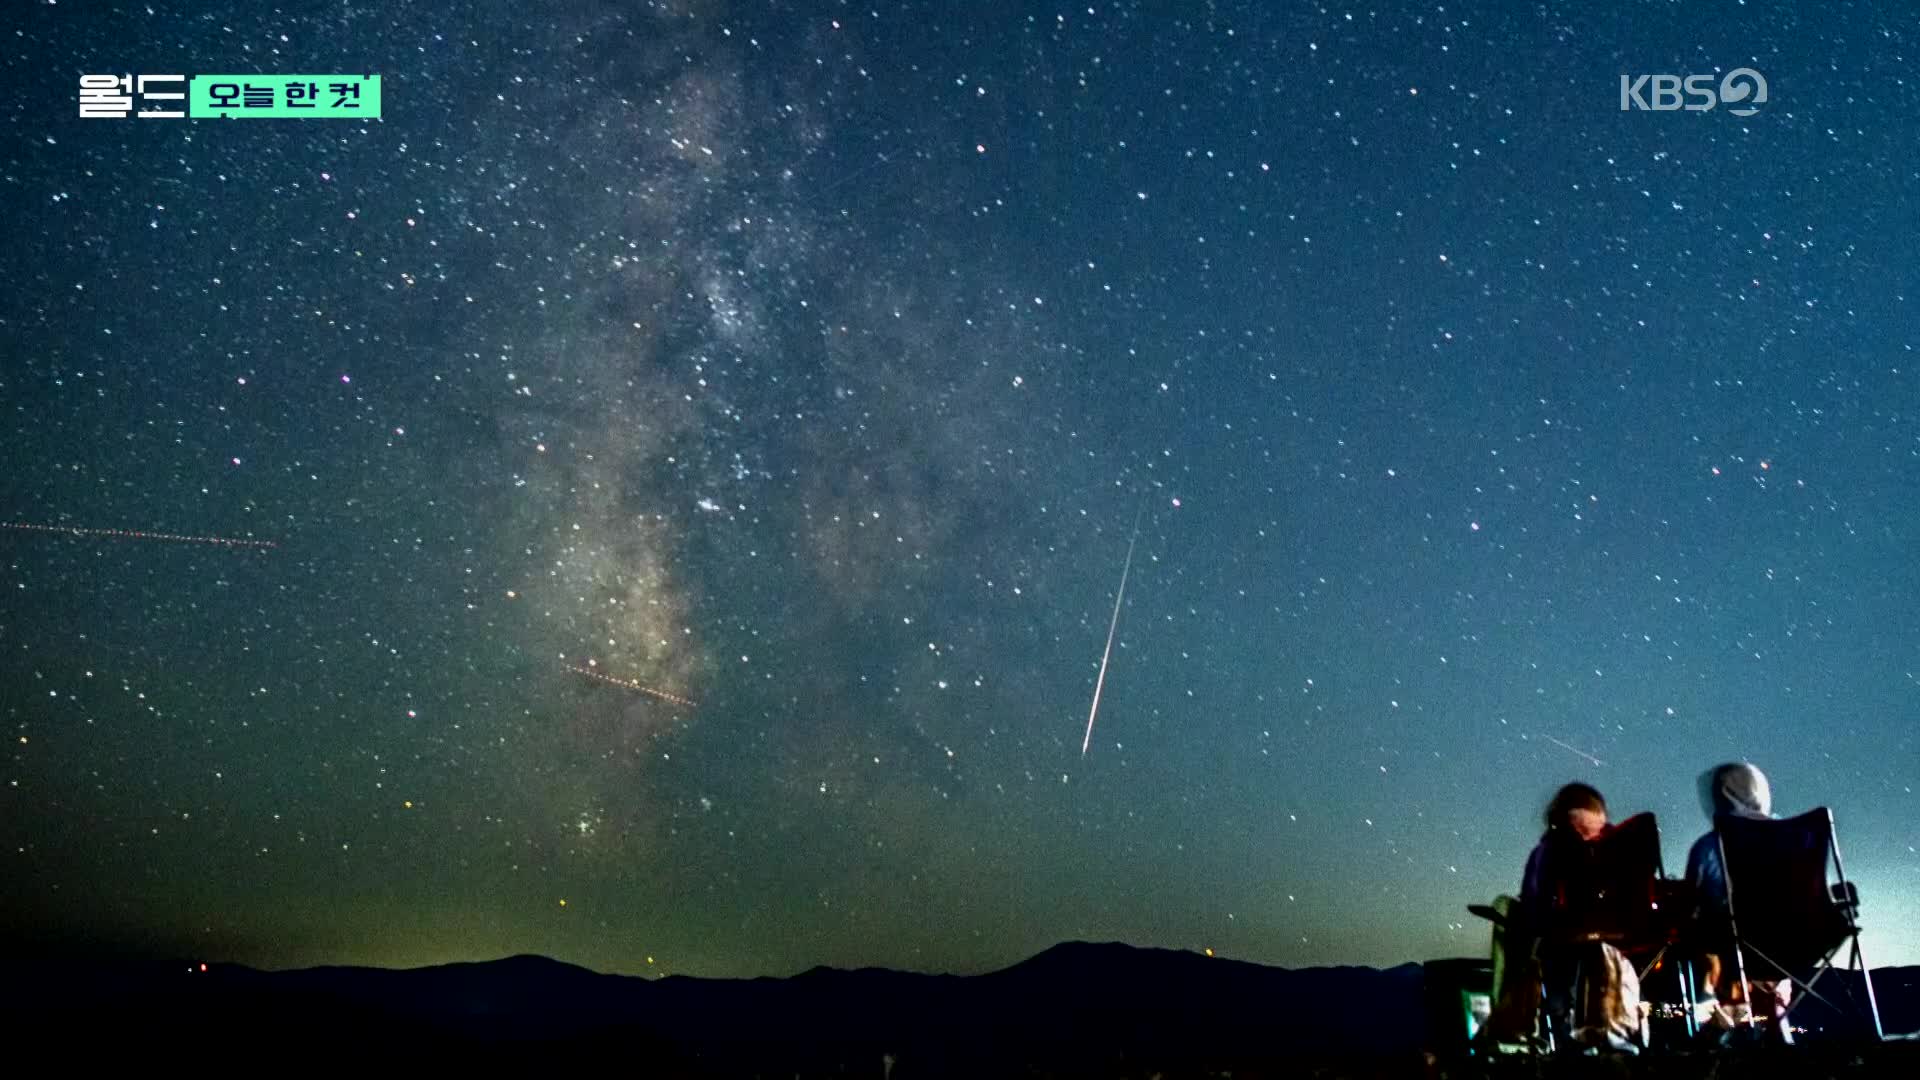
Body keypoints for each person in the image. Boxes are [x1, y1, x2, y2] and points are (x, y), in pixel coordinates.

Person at [1515, 782, 1643, 1052]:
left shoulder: (1606, 852)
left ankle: (1596, 1032)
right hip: (1576, 934)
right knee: (1570, 971)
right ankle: (1585, 1036)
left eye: (1594, 834)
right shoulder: (1551, 852)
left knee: (1591, 967)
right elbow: (1535, 900)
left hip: (1589, 934)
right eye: (1583, 832)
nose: (1587, 840)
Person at [1687, 762, 1792, 1042]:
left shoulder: (1708, 847)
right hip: (1791, 940)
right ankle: (1777, 1019)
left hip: (1731, 944)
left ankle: (1722, 1019)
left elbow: (1692, 901)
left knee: (1709, 934)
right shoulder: (1792, 837)